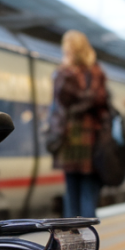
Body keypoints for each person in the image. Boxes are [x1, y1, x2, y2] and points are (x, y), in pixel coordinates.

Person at [50, 31, 110, 218]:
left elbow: (60, 103)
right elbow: (100, 101)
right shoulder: (96, 72)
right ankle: (87, 234)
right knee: (87, 194)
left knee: (73, 193)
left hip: (71, 136)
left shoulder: (65, 73)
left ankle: (74, 234)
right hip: (90, 138)